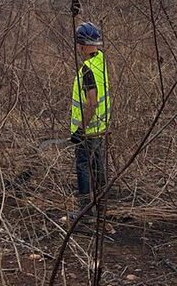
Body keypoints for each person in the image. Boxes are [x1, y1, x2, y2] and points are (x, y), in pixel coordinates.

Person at [69, 19, 111, 220]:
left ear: (84, 45)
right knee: (97, 166)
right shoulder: (101, 62)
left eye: (79, 44)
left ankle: (85, 212)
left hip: (89, 130)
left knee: (84, 166)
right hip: (102, 127)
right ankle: (101, 206)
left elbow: (92, 103)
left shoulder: (87, 70)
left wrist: (80, 130)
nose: (78, 48)